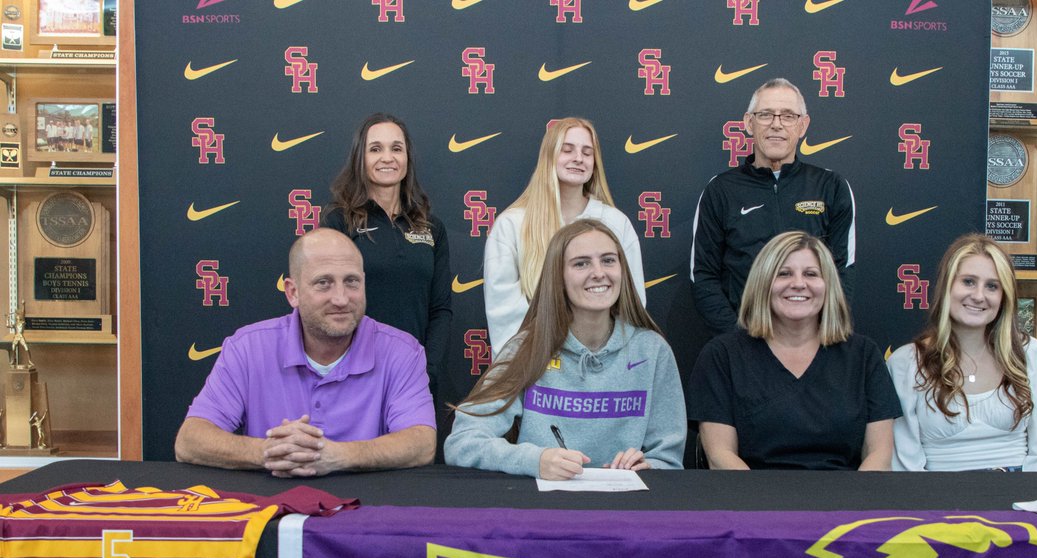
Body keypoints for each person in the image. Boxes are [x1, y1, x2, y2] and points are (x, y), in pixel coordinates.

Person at [175, 228, 436, 476]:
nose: (341, 299)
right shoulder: (247, 347)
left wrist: (339, 456)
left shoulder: (402, 352)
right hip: (271, 510)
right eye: (324, 283)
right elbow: (190, 440)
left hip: (367, 510)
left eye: (352, 282)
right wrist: (267, 452)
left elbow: (422, 443)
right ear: (293, 292)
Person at [448, 219, 684, 479]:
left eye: (608, 260)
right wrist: (534, 460)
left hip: (626, 512)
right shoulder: (528, 347)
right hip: (544, 512)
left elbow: (668, 460)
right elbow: (462, 442)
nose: (598, 272)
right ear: (558, 277)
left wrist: (648, 467)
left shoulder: (652, 351)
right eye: (581, 263)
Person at [689, 231, 898, 470]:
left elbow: (879, 454)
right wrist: (765, 505)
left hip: (845, 500)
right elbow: (720, 456)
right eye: (783, 274)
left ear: (828, 285)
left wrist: (850, 505)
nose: (798, 283)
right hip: (752, 499)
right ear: (763, 283)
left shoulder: (863, 355)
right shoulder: (721, 356)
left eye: (811, 274)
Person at [691, 77, 857, 337]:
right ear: (749, 123)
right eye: (765, 114)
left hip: (811, 343)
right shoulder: (721, 190)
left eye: (788, 116)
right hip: (743, 343)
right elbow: (704, 277)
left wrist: (815, 337)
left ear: (803, 125)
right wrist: (739, 340)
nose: (776, 124)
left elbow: (841, 272)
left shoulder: (831, 186)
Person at [887, 234, 1037, 471]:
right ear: (946, 286)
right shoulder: (905, 363)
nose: (979, 295)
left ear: (1004, 297)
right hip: (937, 501)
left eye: (992, 286)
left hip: (1020, 499)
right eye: (968, 281)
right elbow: (904, 465)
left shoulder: (1030, 354)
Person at [484, 117, 645, 355]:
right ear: (549, 156)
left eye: (587, 152)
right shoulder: (512, 224)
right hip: (536, 363)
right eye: (567, 150)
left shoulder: (616, 223)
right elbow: (503, 312)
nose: (578, 158)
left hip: (601, 361)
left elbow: (632, 303)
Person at [323, 112, 450, 396]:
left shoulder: (432, 227)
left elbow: (440, 309)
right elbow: (328, 305)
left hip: (416, 379)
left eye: (396, 148)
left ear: (407, 158)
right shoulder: (338, 222)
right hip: (353, 379)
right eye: (375, 149)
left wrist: (426, 371)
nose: (387, 158)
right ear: (360, 158)